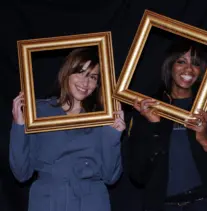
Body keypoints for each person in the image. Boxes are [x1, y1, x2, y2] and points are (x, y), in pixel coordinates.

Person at [126, 40, 207, 211]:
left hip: (205, 204)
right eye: (181, 61)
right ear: (170, 65)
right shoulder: (148, 109)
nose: (188, 69)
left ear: (201, 70)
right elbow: (138, 175)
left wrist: (206, 142)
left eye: (195, 63)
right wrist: (154, 127)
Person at [10, 47, 125, 211]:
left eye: (92, 77)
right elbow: (21, 174)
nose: (85, 83)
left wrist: (113, 135)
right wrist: (19, 126)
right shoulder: (39, 112)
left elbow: (111, 177)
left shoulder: (102, 118)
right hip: (47, 201)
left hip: (91, 202)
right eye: (80, 72)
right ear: (66, 73)